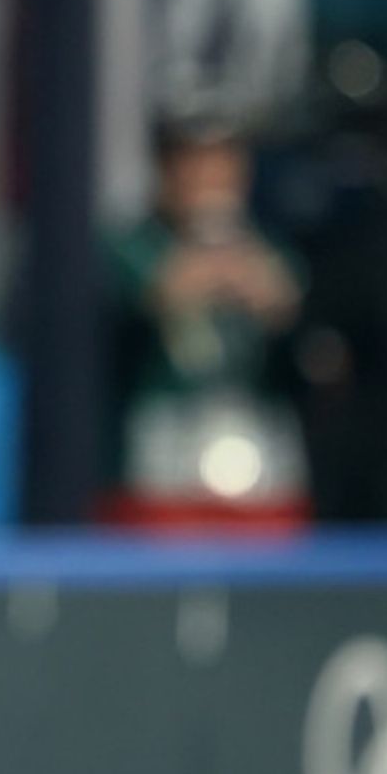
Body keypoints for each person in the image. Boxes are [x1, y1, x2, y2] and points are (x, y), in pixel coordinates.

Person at [99, 117, 307, 522]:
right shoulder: (135, 242)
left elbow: (285, 301)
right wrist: (211, 258)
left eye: (224, 167)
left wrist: (252, 275)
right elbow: (164, 289)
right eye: (196, 166)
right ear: (168, 172)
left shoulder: (268, 247)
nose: (213, 182)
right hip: (163, 434)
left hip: (252, 432)